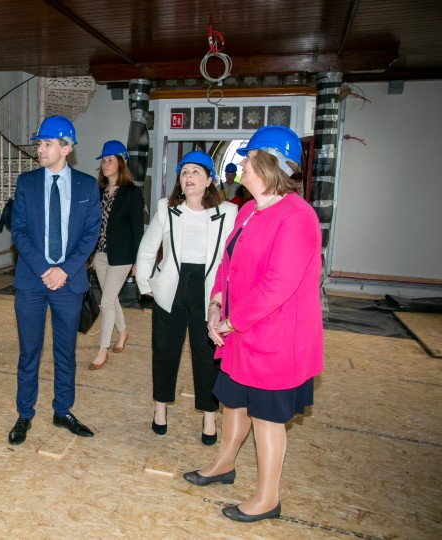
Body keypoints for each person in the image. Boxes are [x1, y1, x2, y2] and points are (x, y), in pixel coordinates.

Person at [183, 125, 323, 523]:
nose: (240, 164)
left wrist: (229, 322)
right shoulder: (247, 209)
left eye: (247, 158)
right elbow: (228, 263)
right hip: (241, 332)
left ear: (269, 162)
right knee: (234, 402)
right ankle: (224, 464)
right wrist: (214, 304)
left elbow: (278, 284)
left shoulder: (297, 217)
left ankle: (267, 498)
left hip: (277, 340)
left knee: (266, 417)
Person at [7, 115, 101, 445]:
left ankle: (62, 410)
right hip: (33, 281)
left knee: (66, 351)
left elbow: (91, 233)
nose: (40, 149)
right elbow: (18, 231)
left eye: (47, 143)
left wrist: (65, 269)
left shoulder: (87, 185)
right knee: (29, 351)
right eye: (40, 143)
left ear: (66, 148)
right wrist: (44, 268)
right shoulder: (27, 183)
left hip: (69, 282)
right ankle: (24, 413)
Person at [135, 151, 237, 443]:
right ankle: (160, 410)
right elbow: (147, 248)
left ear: (209, 179)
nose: (188, 177)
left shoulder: (228, 212)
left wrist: (228, 296)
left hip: (208, 291)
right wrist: (145, 283)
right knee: (165, 352)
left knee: (207, 357)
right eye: (184, 173)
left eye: (195, 172)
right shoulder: (167, 208)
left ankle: (208, 417)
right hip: (171, 289)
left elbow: (233, 259)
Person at [89, 140, 144, 370]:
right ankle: (122, 333)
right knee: (111, 299)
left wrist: (137, 261)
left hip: (122, 256)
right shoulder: (99, 191)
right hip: (101, 254)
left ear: (121, 163)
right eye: (103, 160)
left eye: (110, 160)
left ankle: (102, 350)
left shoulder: (132, 192)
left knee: (107, 301)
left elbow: (137, 229)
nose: (105, 164)